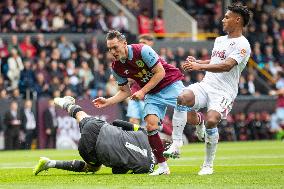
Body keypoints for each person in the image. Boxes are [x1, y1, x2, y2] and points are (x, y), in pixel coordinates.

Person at [93, 30, 190, 175]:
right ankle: (163, 167)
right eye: (109, 49)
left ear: (124, 44)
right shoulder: (116, 67)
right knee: (151, 126)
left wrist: (143, 91)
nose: (112, 51)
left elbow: (160, 73)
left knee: (193, 118)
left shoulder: (142, 50)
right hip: (152, 93)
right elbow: (125, 91)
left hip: (170, 84)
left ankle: (200, 122)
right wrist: (108, 101)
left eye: (115, 47)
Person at [170, 4, 252, 175]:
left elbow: (227, 65)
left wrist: (198, 66)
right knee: (182, 97)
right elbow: (215, 60)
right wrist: (199, 62)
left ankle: (208, 165)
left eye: (227, 17)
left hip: (224, 92)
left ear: (238, 20)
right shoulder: (219, 40)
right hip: (206, 85)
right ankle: (176, 143)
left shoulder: (243, 44)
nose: (223, 19)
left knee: (212, 120)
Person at [33, 96, 155, 175]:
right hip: (91, 149)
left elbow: (117, 122)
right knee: (93, 168)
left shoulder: (144, 133)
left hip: (99, 129)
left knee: (81, 115)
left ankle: (64, 103)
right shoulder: (146, 167)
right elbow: (116, 171)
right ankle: (50, 163)